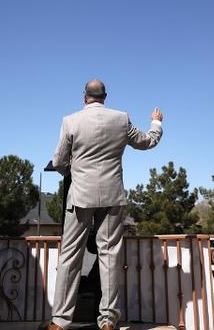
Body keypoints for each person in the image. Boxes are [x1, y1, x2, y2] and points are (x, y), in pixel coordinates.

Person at [49, 79, 163, 330]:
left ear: (84, 97)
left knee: (69, 256)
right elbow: (147, 142)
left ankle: (60, 321)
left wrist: (74, 171)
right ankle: (109, 320)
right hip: (112, 197)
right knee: (109, 256)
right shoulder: (121, 119)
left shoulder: (70, 121)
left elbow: (58, 162)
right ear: (105, 96)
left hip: (79, 197)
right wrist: (156, 123)